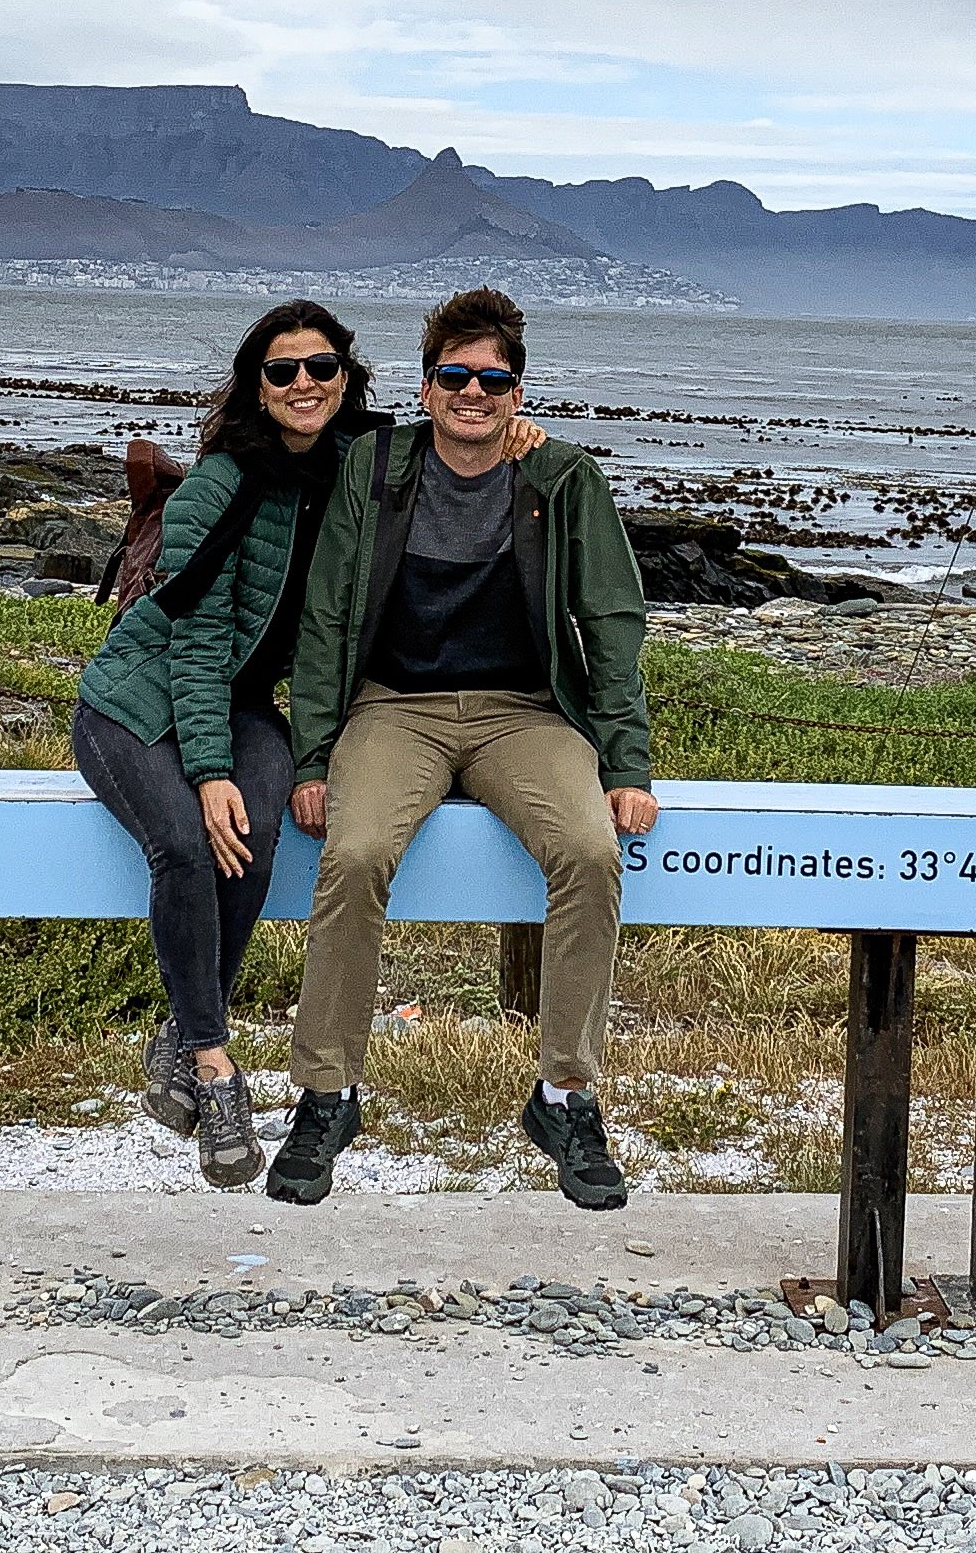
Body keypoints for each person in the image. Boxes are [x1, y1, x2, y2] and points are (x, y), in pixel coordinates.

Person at [68, 299, 538, 1187]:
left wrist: (516, 435)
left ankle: (179, 1033)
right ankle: (215, 1068)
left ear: (345, 379)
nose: (303, 384)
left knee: (254, 834)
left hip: (243, 701)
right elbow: (197, 645)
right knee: (188, 842)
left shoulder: (360, 462)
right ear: (258, 387)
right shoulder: (221, 486)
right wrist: (209, 770)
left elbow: (454, 429)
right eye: (282, 371)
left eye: (321, 367)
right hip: (137, 702)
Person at [271, 286, 658, 1212]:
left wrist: (626, 764)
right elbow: (324, 619)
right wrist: (313, 758)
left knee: (589, 852)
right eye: (454, 377)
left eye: (492, 380)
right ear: (426, 387)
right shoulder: (374, 466)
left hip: (524, 712)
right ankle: (327, 1095)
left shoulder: (561, 478)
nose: (473, 394)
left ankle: (566, 1097)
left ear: (518, 392)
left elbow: (610, 620)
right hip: (394, 708)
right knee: (356, 853)